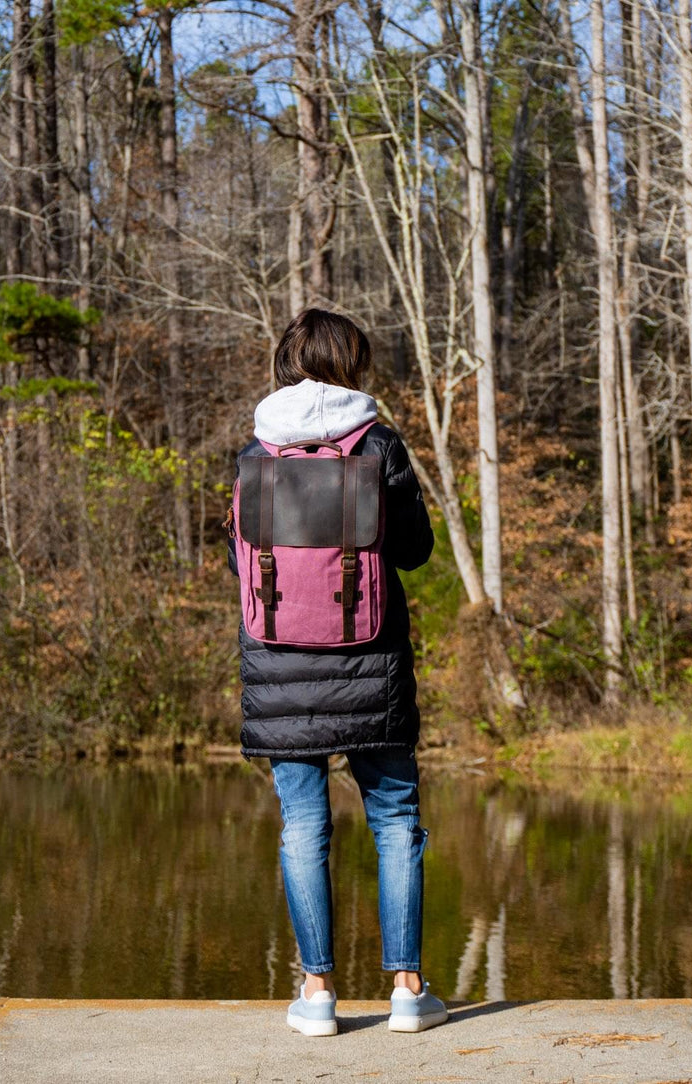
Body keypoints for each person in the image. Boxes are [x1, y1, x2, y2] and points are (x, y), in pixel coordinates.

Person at [227, 309, 446, 1038]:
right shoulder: (378, 442)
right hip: (371, 662)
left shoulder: (253, 452)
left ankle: (316, 992)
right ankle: (408, 992)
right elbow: (414, 550)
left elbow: (239, 565)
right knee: (393, 822)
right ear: (352, 362)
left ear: (287, 363)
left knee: (301, 827)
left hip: (279, 665)